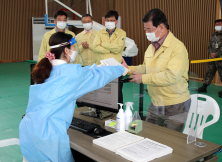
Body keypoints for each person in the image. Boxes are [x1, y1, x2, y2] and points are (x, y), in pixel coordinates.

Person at [19, 32, 124, 162]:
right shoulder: (71, 74)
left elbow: (85, 74)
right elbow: (98, 77)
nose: (75, 51)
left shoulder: (45, 70)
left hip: (28, 131)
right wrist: (121, 68)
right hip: (48, 137)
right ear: (66, 51)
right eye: (74, 48)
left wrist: (96, 68)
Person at [122, 9, 191, 132]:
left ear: (161, 27)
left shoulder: (177, 48)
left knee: (170, 140)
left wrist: (143, 78)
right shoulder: (151, 47)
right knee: (148, 134)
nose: (146, 32)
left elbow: (172, 76)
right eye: (145, 29)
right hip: (156, 101)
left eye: (149, 29)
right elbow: (145, 67)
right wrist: (127, 69)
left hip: (175, 104)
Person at [196, 19, 222, 97]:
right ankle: (204, 87)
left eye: (219, 24)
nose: (218, 26)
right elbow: (209, 45)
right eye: (216, 24)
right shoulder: (214, 35)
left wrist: (216, 54)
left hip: (220, 59)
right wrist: (211, 53)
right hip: (212, 58)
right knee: (209, 72)